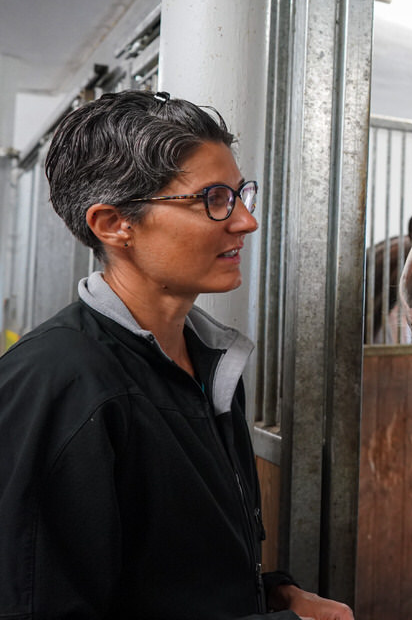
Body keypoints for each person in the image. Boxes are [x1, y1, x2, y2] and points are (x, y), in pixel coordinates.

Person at [0, 91, 352, 620]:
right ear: (114, 224)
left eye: (239, 194)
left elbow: (167, 573)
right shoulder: (57, 382)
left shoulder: (211, 362)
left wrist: (273, 594)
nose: (245, 222)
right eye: (213, 198)